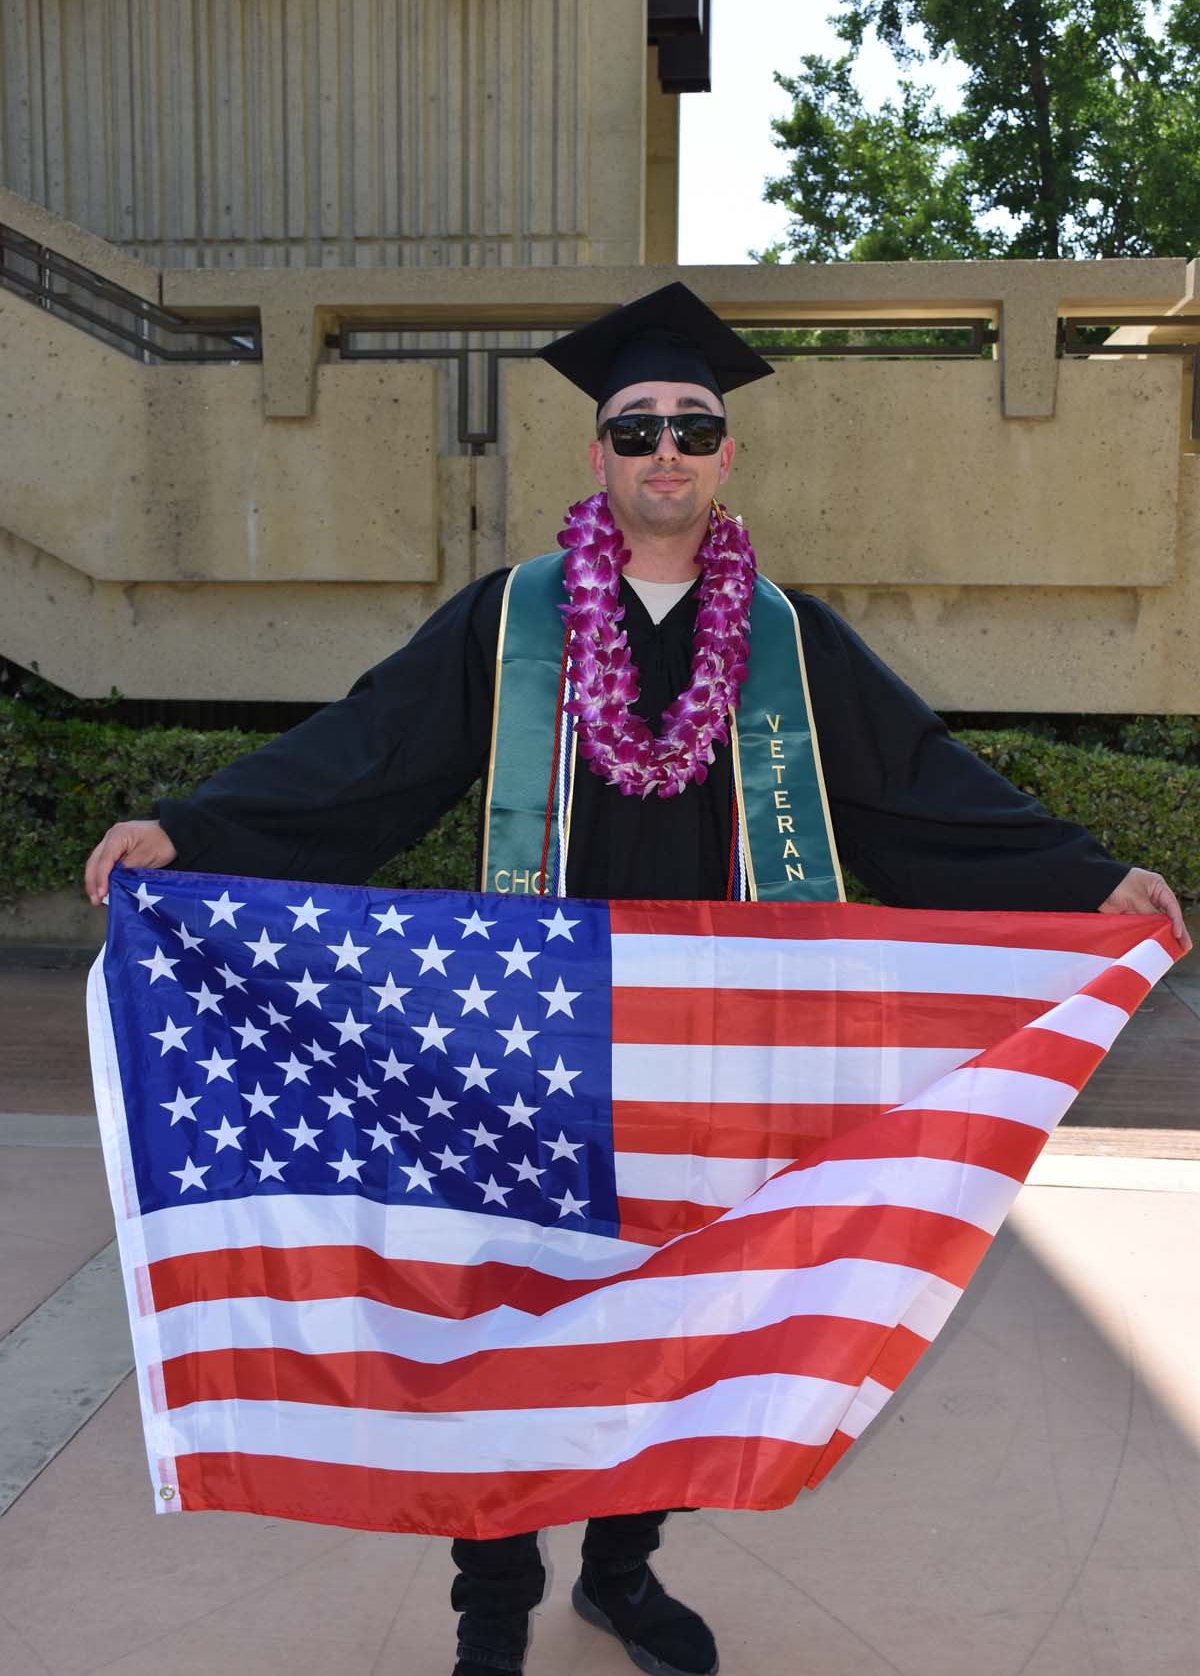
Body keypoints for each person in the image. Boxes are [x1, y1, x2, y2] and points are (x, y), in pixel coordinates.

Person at [85, 282, 1190, 1676]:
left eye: (691, 427)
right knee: (506, 1305)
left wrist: (1083, 881)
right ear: (596, 458)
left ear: (730, 456)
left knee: (672, 1313)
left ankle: (621, 1571)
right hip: (530, 1039)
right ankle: (491, 1615)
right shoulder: (511, 622)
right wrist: (191, 834)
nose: (664, 451)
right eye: (637, 430)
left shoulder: (789, 637)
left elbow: (918, 786)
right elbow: (370, 754)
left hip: (709, 1049)